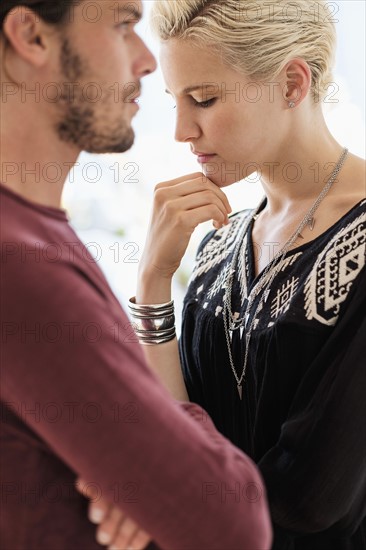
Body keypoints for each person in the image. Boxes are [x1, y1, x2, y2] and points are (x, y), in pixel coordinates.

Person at [0, 1, 273, 549]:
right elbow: (233, 526)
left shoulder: (39, 235)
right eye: (124, 26)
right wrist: (171, 459)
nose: (146, 60)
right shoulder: (21, 269)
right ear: (32, 35)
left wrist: (146, 471)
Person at [98, 0, 366, 549]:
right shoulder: (220, 244)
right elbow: (173, 439)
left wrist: (165, 497)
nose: (179, 129)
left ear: (293, 83)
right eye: (174, 101)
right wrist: (151, 281)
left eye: (204, 98)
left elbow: (312, 498)